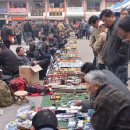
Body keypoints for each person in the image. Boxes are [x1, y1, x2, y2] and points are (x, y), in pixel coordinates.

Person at [100, 9, 129, 84]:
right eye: (103, 21)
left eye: (105, 20)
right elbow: (107, 43)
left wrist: (115, 59)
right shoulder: (110, 28)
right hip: (111, 64)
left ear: (112, 16)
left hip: (118, 65)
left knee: (119, 90)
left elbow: (125, 46)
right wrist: (104, 56)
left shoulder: (120, 26)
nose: (104, 23)